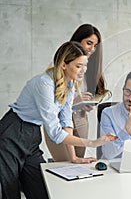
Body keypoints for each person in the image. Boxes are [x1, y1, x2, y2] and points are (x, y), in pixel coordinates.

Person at [0, 41, 117, 199]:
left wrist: (73, 157)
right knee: (10, 192)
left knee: (42, 191)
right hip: (12, 133)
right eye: (78, 66)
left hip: (32, 136)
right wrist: (92, 143)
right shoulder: (44, 84)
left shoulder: (69, 86)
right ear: (64, 65)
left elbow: (66, 122)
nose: (83, 71)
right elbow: (55, 133)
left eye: (85, 65)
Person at [44, 24, 111, 162]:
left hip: (80, 119)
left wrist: (87, 103)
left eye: (95, 46)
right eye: (89, 43)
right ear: (78, 41)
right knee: (63, 163)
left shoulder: (89, 67)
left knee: (77, 164)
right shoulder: (61, 63)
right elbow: (50, 102)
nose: (92, 49)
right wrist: (75, 101)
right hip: (58, 120)